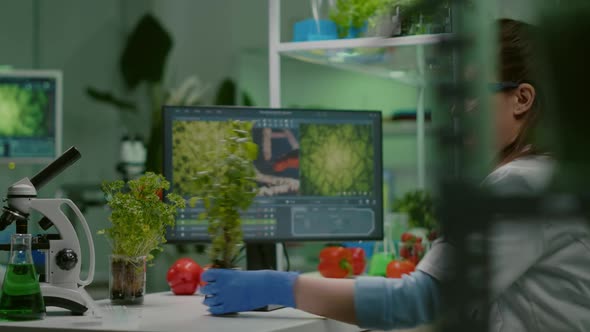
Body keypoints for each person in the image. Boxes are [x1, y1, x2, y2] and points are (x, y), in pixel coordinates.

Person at [201, 19, 590, 331]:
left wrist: (279, 286)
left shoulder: (521, 183)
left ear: (522, 98)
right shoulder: (547, 175)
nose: (456, 111)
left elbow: (415, 301)